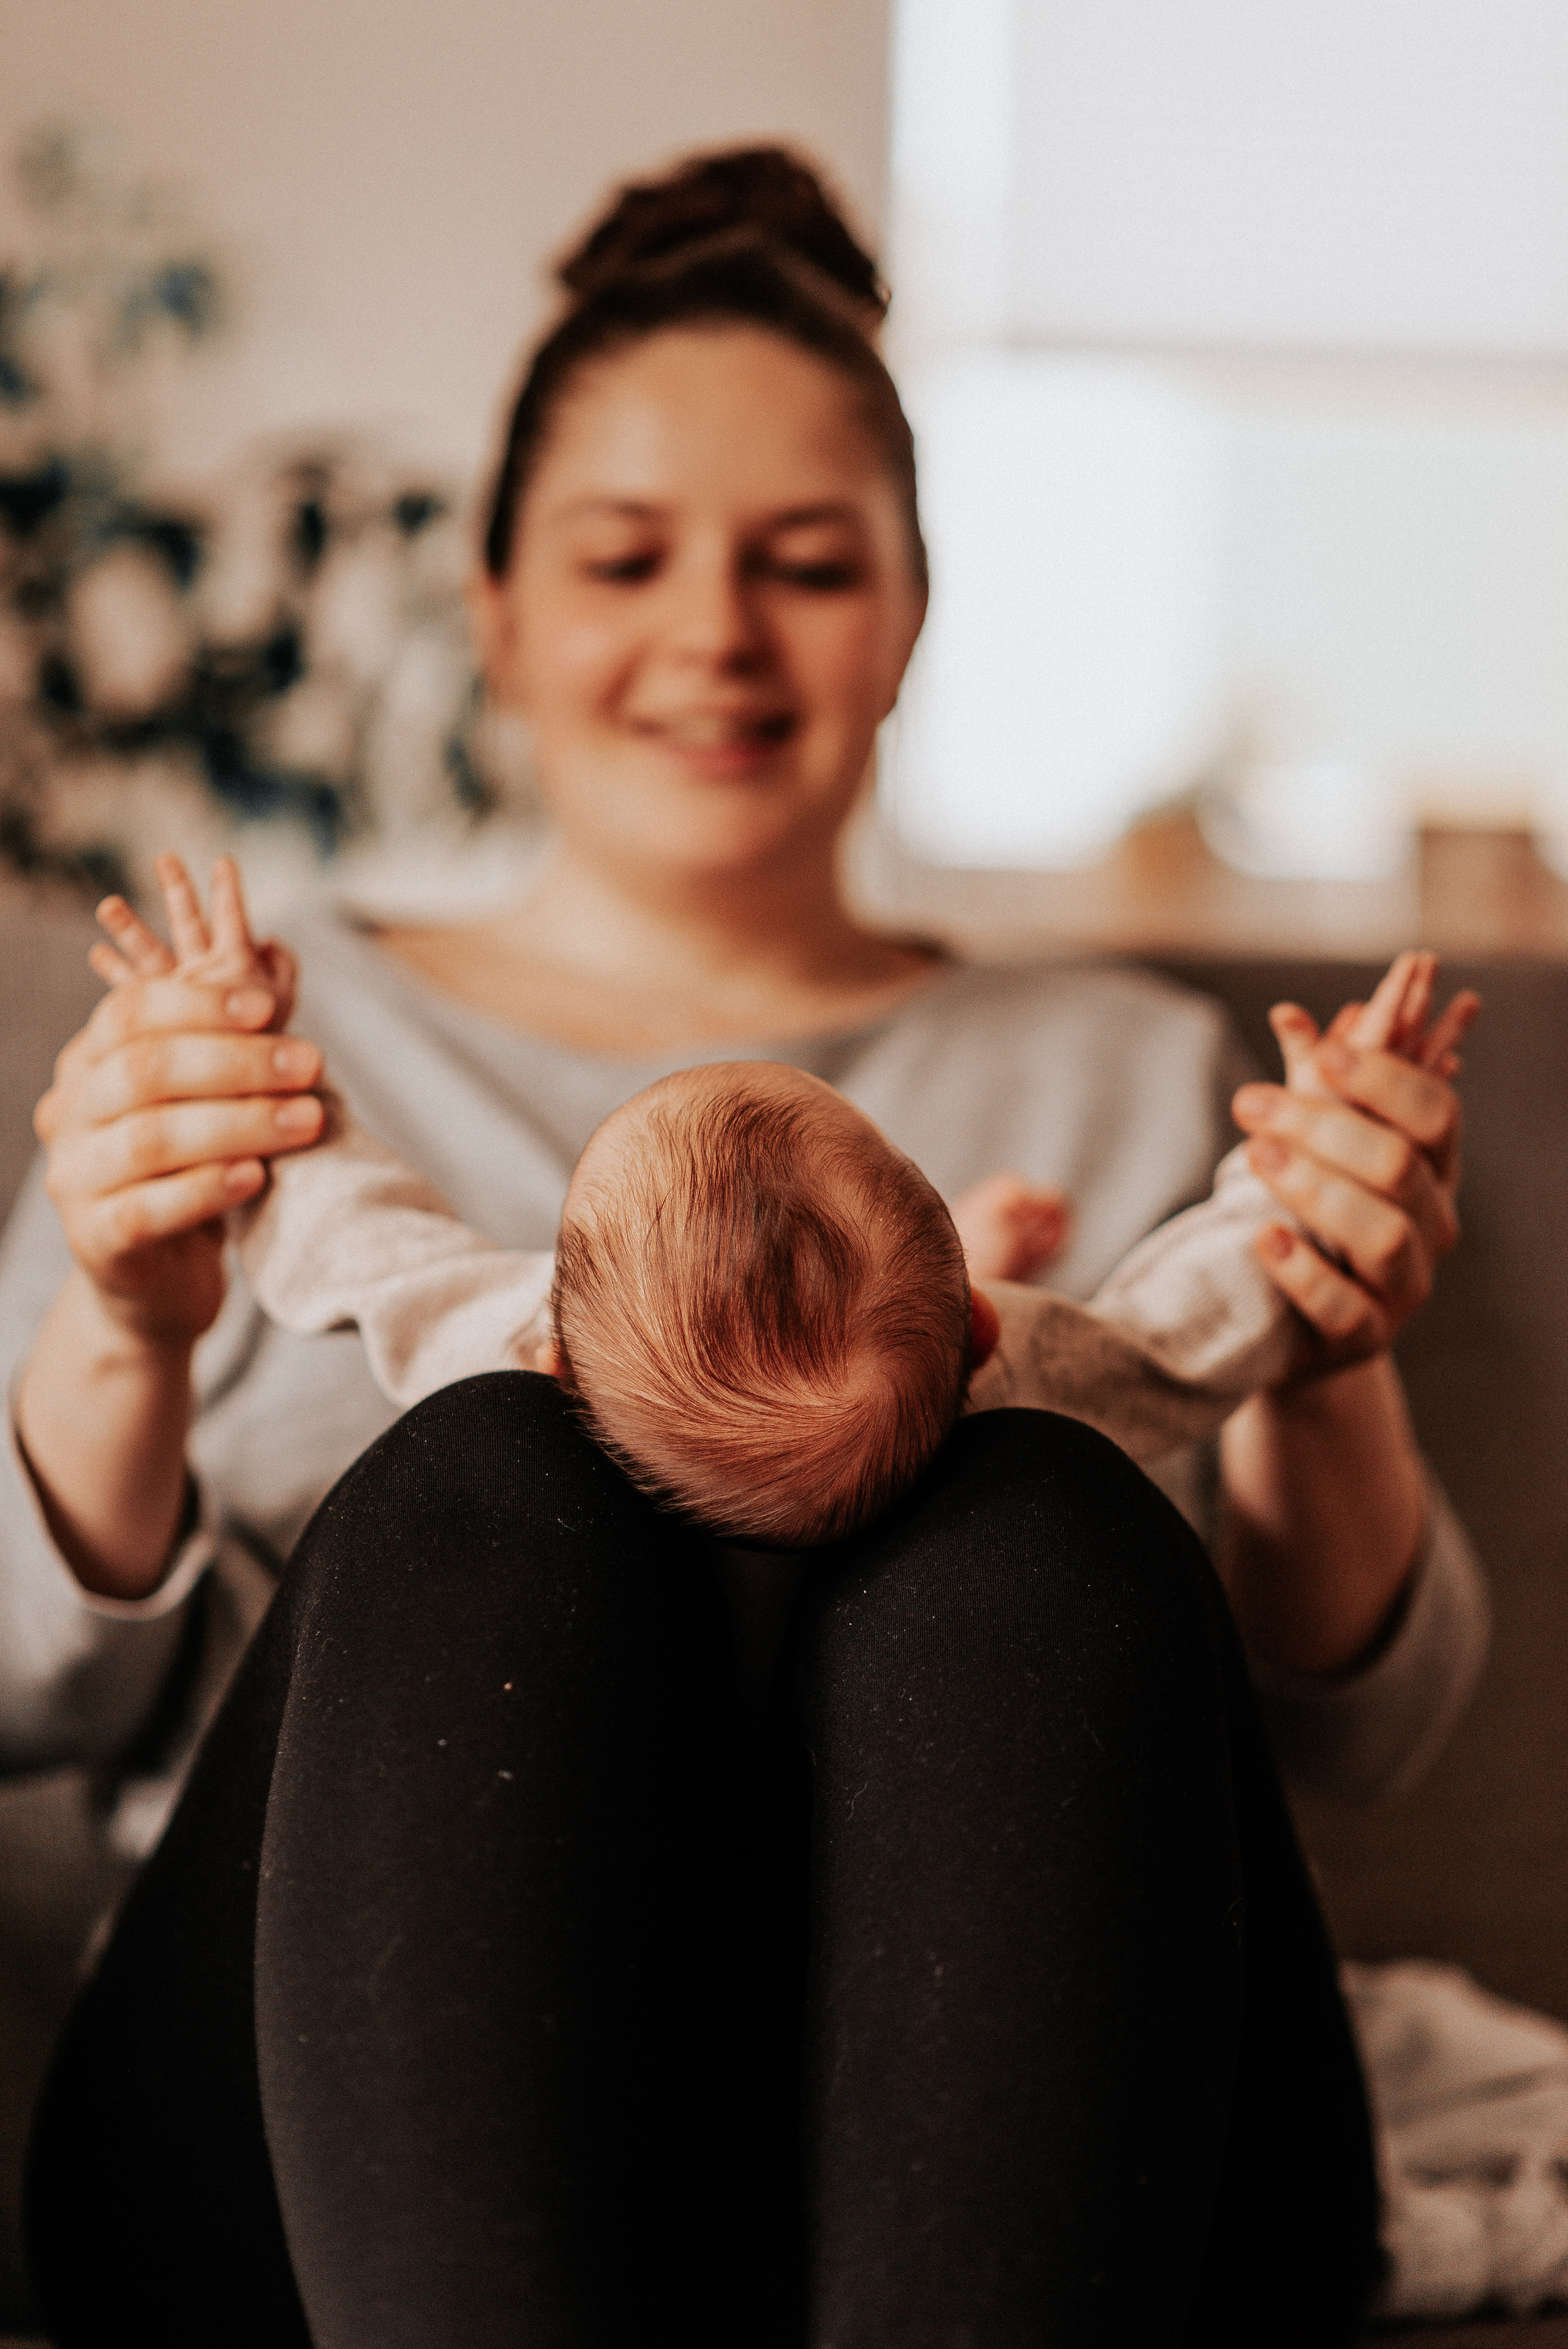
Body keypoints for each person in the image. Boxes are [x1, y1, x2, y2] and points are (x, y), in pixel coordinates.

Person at [4, 147, 1488, 2346]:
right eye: (627, 558)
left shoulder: (1141, 1071)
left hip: (1018, 2145)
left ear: (908, 611)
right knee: (487, 1479)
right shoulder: (258, 1048)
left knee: (1045, 1512)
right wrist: (125, 1324)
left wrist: (1327, 1338)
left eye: (805, 564)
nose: (715, 634)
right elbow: (26, 1692)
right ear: (497, 604)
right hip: (345, 2159)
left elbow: (1361, 1736)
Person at [99, 859, 1477, 1551]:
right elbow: (1192, 1328)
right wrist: (1305, 1164)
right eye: (627, 559)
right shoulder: (1022, 1390)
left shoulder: (498, 1340)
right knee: (1034, 1485)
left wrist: (243, 1081)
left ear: (554, 1342)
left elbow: (349, 1240)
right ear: (984, 1335)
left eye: (809, 563)